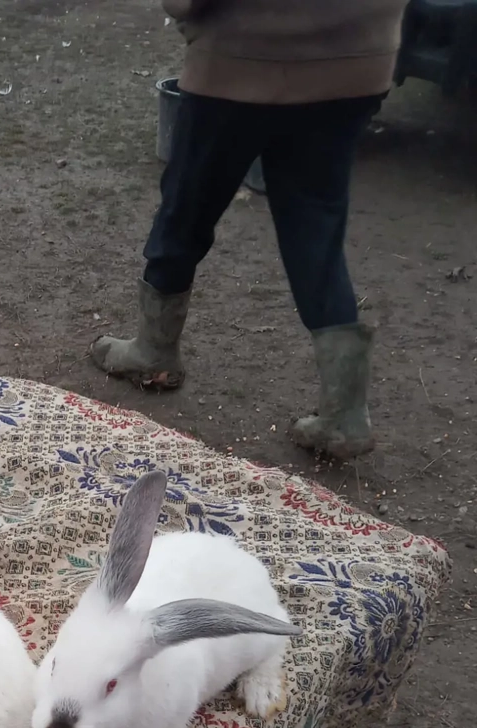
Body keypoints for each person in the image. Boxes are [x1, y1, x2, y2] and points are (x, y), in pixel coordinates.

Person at [91, 0, 410, 461]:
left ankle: (154, 352)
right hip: (356, 65)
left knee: (188, 207)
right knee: (315, 227)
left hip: (242, 64)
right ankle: (345, 416)